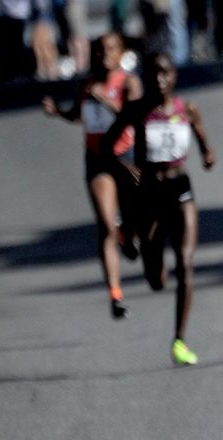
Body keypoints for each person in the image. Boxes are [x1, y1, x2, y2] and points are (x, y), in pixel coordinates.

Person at [103, 51, 214, 366]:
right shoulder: (137, 111)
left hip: (180, 190)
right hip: (150, 193)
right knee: (156, 279)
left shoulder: (186, 110)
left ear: (174, 77)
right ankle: (134, 235)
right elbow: (109, 147)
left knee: (186, 263)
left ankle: (179, 340)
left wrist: (207, 155)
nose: (159, 80)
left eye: (165, 73)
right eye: (153, 75)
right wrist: (127, 170)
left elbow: (205, 144)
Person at [42, 31, 142, 319]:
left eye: (111, 49)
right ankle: (115, 294)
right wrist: (57, 112)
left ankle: (128, 235)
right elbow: (77, 115)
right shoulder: (87, 85)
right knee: (105, 225)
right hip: (98, 160)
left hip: (127, 157)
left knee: (136, 214)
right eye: (99, 50)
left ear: (121, 52)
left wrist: (108, 101)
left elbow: (134, 115)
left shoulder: (129, 82)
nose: (104, 55)